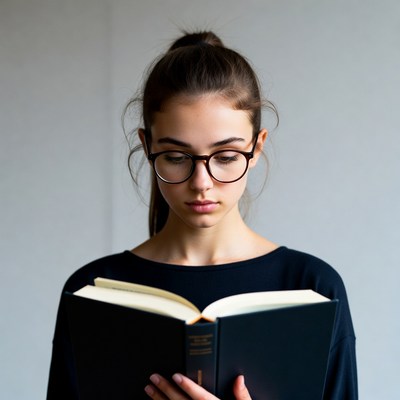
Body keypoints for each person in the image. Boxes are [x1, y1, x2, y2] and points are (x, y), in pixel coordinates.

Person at [47, 31, 358, 400]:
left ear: (256, 147)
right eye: (177, 157)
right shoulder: (93, 292)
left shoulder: (312, 289)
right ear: (147, 147)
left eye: (226, 157)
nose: (201, 183)